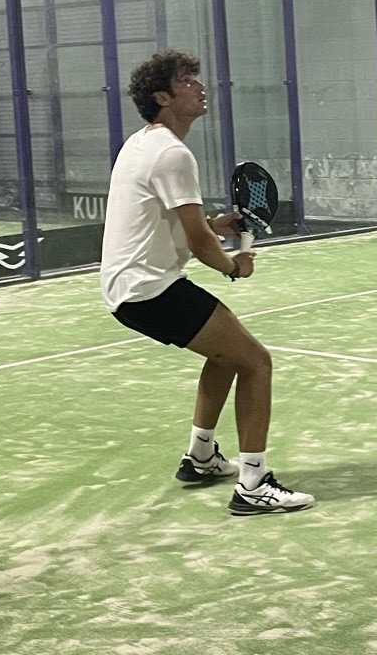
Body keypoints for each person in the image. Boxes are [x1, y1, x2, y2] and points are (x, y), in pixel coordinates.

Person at [100, 48, 314, 515]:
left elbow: (172, 222)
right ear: (162, 97)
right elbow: (198, 243)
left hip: (128, 288)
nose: (199, 87)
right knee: (256, 362)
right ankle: (253, 485)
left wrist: (216, 225)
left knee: (226, 355)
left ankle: (200, 457)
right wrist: (233, 266)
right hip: (150, 289)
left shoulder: (142, 144)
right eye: (186, 80)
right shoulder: (173, 154)